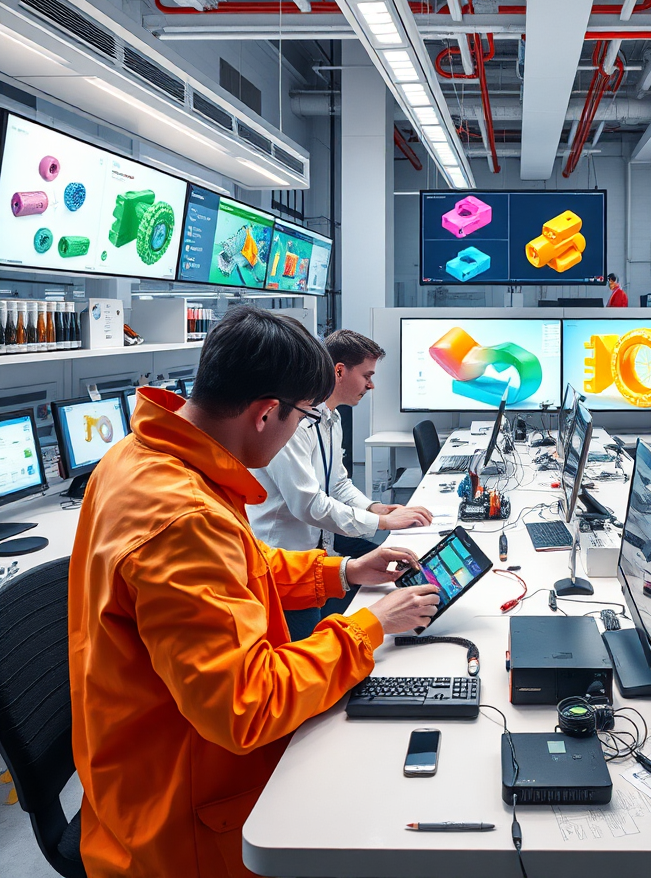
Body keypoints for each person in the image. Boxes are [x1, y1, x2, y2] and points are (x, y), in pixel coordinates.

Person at [68, 306, 440, 878]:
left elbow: (243, 565)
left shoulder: (141, 456)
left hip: (144, 768)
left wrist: (344, 572)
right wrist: (369, 626)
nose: (302, 430)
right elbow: (248, 704)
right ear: (266, 413)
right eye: (303, 417)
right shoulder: (184, 519)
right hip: (188, 822)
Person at [250, 328, 434, 639]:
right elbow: (308, 504)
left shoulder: (331, 419)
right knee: (304, 646)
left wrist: (376, 508)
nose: (371, 385)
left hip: (316, 554)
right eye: (367, 375)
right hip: (284, 565)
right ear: (339, 371)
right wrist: (382, 522)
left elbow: (337, 484)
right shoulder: (295, 423)